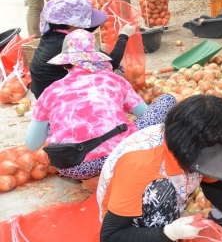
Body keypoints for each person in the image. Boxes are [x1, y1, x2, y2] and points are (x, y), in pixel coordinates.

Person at [97, 94, 222, 242]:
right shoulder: (139, 165)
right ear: (188, 151)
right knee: (162, 191)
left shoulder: (197, 145)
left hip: (162, 203)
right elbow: (110, 237)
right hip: (130, 226)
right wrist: (168, 232)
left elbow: (217, 191)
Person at [25, 30, 176, 181]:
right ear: (96, 58)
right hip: (120, 156)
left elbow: (32, 145)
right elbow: (145, 114)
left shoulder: (50, 91)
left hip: (73, 166)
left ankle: (89, 172)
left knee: (51, 122)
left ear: (65, 64)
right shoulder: (114, 80)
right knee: (167, 101)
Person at [29, 0, 135, 98]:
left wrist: (103, 15)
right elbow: (113, 62)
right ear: (72, 23)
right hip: (58, 97)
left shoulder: (52, 32)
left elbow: (82, 28)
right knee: (116, 72)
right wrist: (124, 36)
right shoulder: (72, 43)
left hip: (42, 91)